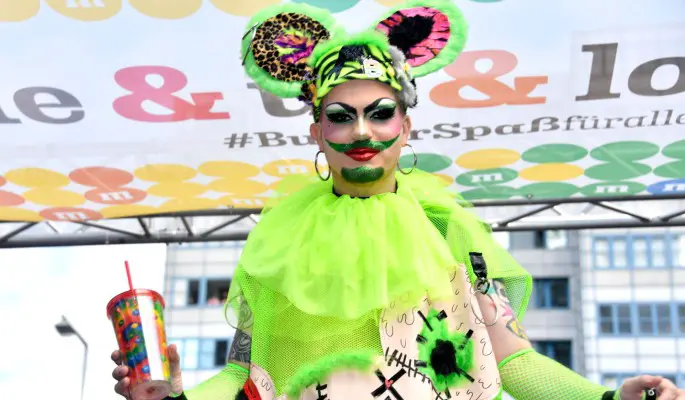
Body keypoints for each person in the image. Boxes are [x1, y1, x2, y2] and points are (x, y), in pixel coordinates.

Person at [112, 1, 685, 399]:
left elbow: (511, 359)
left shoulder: (445, 227)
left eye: (380, 113)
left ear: (405, 127)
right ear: (317, 133)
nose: (362, 132)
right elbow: (244, 375)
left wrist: (607, 398)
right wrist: (172, 394)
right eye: (341, 116)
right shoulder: (278, 240)